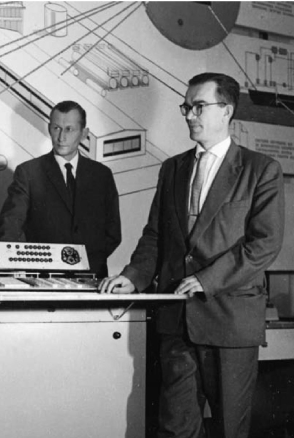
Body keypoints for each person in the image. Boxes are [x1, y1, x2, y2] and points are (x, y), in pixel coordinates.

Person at [100, 73, 285, 438]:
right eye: (186, 107)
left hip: (229, 322)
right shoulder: (172, 168)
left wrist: (206, 280)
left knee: (229, 430)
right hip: (177, 321)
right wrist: (133, 276)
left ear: (226, 111)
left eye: (199, 106)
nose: (189, 115)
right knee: (175, 428)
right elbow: (156, 235)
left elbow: (264, 243)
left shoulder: (260, 169)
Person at [0, 100, 121, 277]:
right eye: (56, 128)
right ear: (49, 129)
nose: (61, 137)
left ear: (84, 134)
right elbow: (9, 227)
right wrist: (15, 266)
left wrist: (84, 263)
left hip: (92, 277)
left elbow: (113, 233)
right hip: (42, 279)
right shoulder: (28, 173)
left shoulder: (102, 175)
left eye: (69, 129)